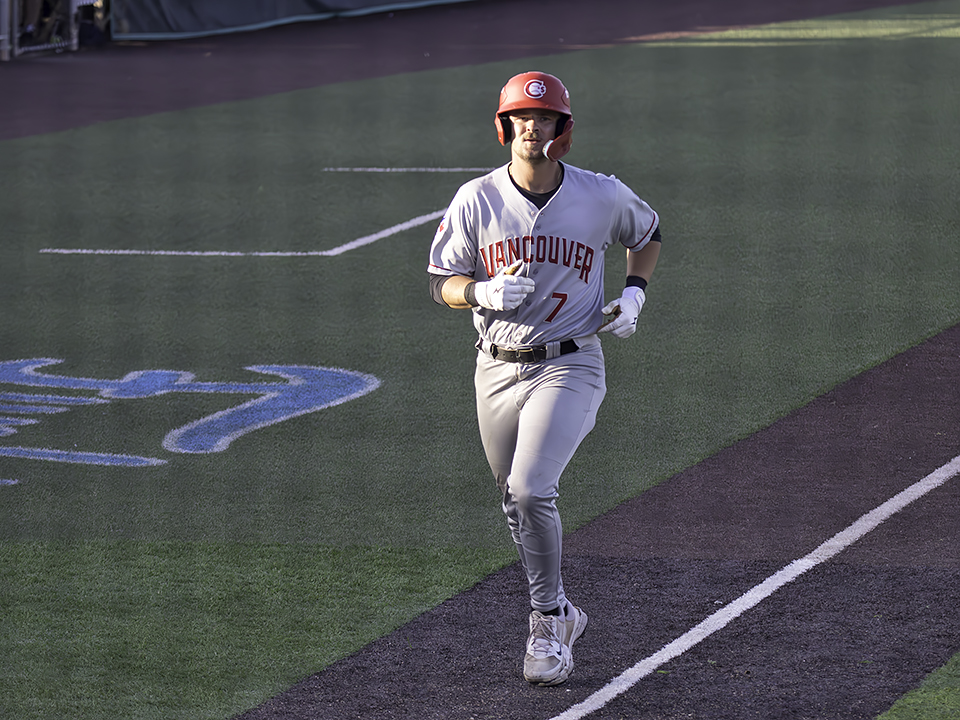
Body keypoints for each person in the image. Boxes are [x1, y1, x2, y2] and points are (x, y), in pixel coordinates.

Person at [426, 71, 661, 686]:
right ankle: (561, 609)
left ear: (563, 128)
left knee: (531, 490)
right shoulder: (476, 198)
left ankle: (548, 621)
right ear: (504, 126)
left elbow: (648, 233)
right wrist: (479, 291)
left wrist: (635, 294)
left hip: (570, 361)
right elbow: (440, 281)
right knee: (513, 499)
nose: (533, 127)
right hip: (494, 367)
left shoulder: (600, 194)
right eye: (522, 118)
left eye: (545, 118)